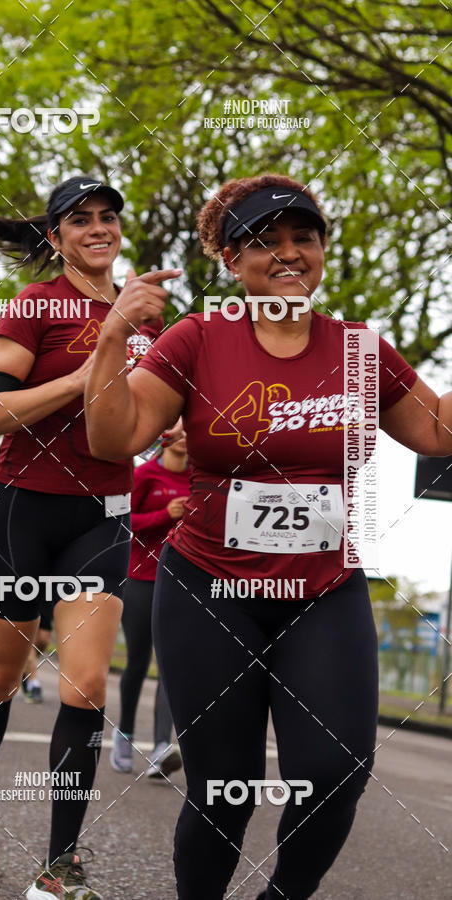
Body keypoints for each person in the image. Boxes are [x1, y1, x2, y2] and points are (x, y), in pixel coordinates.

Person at [84, 173, 452, 899]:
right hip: (210, 591)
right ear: (231, 261)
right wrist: (112, 335)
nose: (288, 253)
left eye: (302, 237)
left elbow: (439, 432)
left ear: (320, 250)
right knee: (226, 789)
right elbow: (114, 435)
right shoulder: (198, 338)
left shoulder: (359, 350)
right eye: (264, 242)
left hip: (323, 592)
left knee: (336, 771)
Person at [0, 175, 181, 899]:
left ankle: (59, 864)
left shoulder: (149, 317)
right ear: (56, 236)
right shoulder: (35, 307)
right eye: (81, 220)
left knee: (86, 685)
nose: (99, 228)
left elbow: (154, 410)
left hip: (100, 516)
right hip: (21, 508)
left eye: (109, 217)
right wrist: (92, 365)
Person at [110, 433, 190, 778]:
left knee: (171, 665)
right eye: (177, 427)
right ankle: (124, 734)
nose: (184, 435)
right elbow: (122, 521)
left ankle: (161, 747)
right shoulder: (145, 475)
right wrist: (164, 514)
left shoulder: (200, 477)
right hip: (141, 579)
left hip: (182, 581)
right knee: (138, 663)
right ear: (164, 435)